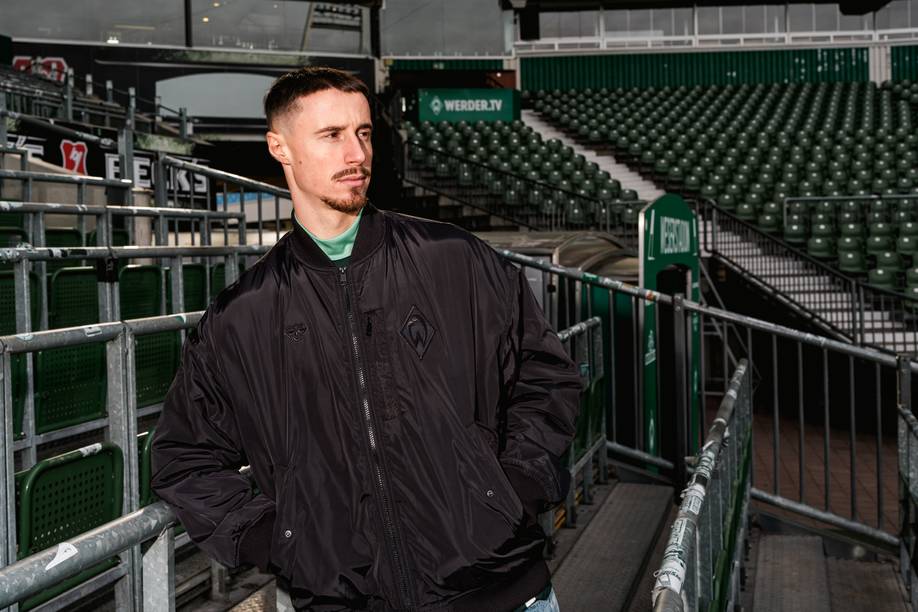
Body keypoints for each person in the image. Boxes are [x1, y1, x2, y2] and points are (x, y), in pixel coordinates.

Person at [151, 66, 581, 612]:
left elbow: (545, 376)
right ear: (279, 147)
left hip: (499, 591)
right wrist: (275, 538)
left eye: (363, 133)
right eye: (331, 136)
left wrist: (515, 484)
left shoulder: (455, 258)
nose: (355, 154)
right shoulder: (242, 315)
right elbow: (184, 457)